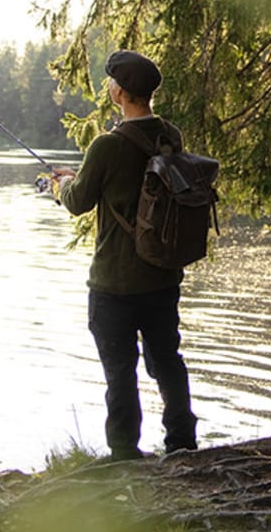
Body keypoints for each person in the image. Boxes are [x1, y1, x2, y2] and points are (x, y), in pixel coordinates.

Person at [49, 50, 199, 461]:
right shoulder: (171, 136)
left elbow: (79, 202)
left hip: (114, 284)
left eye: (110, 83)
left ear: (119, 93)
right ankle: (182, 443)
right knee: (167, 360)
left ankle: (124, 453)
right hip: (162, 278)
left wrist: (56, 186)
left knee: (120, 373)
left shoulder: (106, 145)